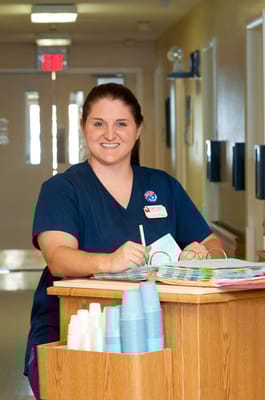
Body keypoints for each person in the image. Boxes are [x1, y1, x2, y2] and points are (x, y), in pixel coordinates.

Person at [24, 82, 223, 398]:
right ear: (83, 127)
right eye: (98, 123)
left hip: (158, 332)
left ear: (138, 128)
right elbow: (58, 259)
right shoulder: (62, 189)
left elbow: (214, 242)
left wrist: (205, 253)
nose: (109, 134)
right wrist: (109, 261)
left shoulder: (163, 185)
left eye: (121, 123)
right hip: (76, 332)